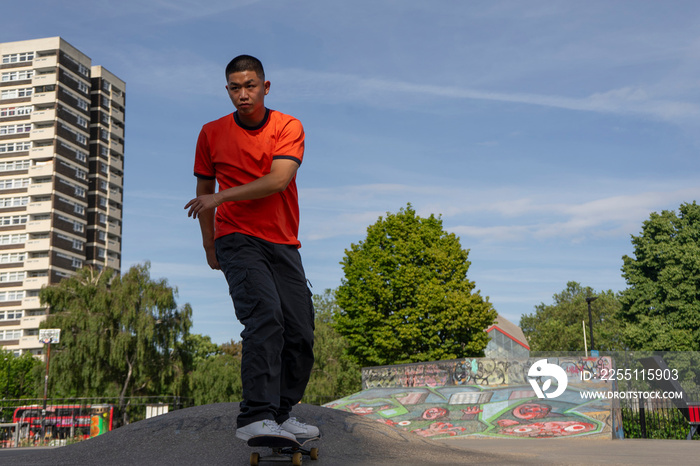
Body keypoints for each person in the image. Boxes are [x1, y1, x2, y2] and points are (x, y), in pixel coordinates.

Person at [185, 55, 317, 442]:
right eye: (235, 88)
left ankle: (280, 412)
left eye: (250, 86)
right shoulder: (211, 133)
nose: (243, 94)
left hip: (283, 240)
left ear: (265, 86)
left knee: (300, 329)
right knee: (264, 318)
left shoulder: (287, 126)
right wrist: (211, 245)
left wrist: (221, 197)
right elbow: (203, 194)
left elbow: (278, 180)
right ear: (227, 90)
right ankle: (255, 417)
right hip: (236, 238)